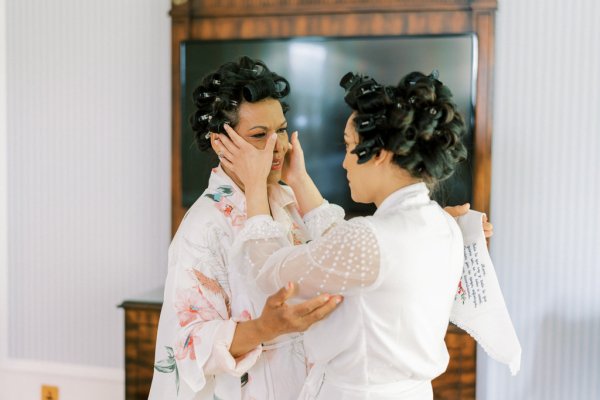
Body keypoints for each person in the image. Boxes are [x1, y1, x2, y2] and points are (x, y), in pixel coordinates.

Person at [217, 70, 474, 399]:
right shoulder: (441, 224)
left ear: (380, 154)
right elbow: (347, 254)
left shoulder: (371, 239)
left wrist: (254, 187)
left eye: (351, 147)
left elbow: (270, 276)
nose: (344, 164)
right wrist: (300, 181)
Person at [149, 56, 343, 400]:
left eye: (281, 129)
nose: (279, 145)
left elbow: (343, 258)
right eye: (259, 135)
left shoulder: (291, 201)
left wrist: (298, 180)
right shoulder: (204, 227)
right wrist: (267, 327)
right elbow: (190, 342)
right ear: (221, 143)